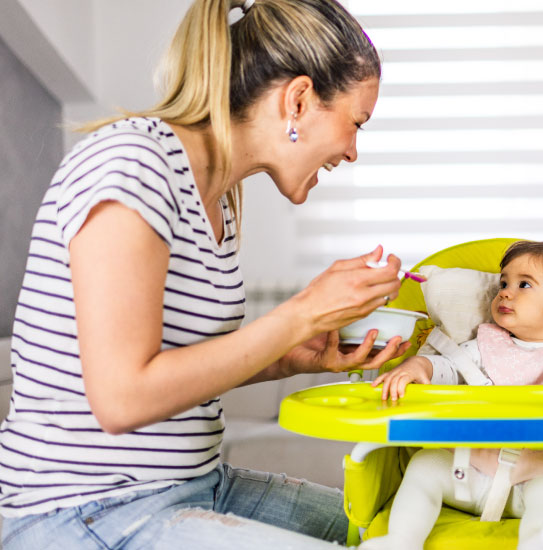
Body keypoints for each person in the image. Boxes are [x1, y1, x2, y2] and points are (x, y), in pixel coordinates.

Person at [0, 1, 404, 548]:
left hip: (194, 487)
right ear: (300, 99)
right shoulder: (136, 162)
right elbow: (122, 398)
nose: (353, 151)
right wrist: (299, 313)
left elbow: (174, 372)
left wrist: (283, 357)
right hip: (79, 511)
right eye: (356, 123)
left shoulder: (217, 197)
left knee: (391, 528)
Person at [364, 241, 543, 550]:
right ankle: (400, 540)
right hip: (469, 471)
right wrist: (418, 365)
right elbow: (449, 368)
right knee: (424, 465)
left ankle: (542, 541)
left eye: (524, 285)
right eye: (503, 283)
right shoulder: (485, 345)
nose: (505, 291)